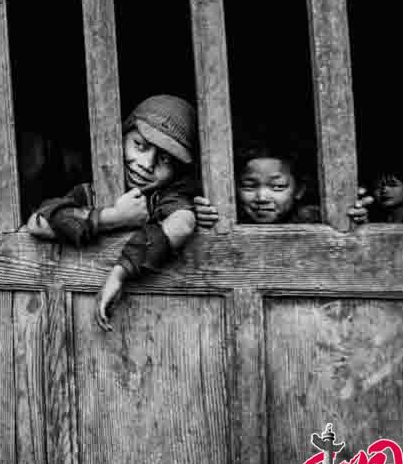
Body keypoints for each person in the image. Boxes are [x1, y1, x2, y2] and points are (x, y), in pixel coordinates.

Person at [26, 95, 201, 331]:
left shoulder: (166, 198)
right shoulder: (90, 193)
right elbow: (37, 223)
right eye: (139, 145)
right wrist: (115, 216)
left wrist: (119, 275)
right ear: (121, 138)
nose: (146, 164)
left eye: (165, 159)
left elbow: (183, 223)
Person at [192, 142, 370, 226]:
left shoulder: (318, 220)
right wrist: (199, 218)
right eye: (250, 186)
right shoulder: (223, 218)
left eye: (277, 186)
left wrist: (355, 221)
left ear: (299, 190)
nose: (262, 197)